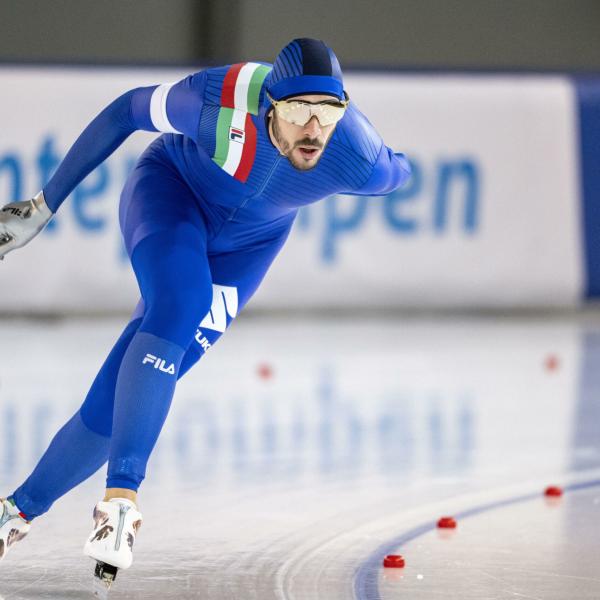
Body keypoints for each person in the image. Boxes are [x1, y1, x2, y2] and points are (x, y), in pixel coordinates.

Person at [0, 38, 410, 589]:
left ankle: (15, 512)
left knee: (123, 399)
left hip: (249, 249)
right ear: (270, 106)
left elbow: (400, 170)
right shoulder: (221, 99)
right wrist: (45, 203)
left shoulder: (357, 156)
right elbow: (128, 109)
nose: (313, 130)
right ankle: (121, 500)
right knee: (181, 304)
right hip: (171, 193)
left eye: (327, 112)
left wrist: (378, 147)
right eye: (297, 112)